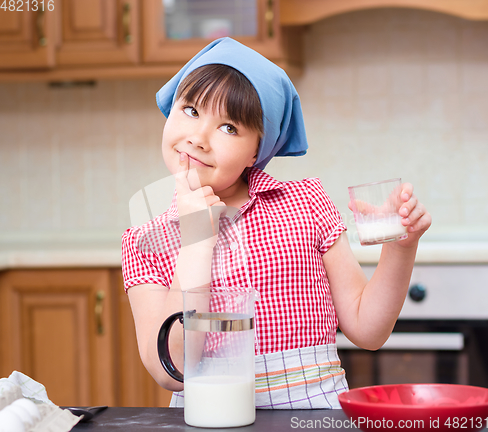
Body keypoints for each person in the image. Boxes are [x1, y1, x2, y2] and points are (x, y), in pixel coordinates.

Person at [121, 37, 432, 409]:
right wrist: (197, 240)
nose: (199, 138)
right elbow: (170, 368)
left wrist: (400, 247)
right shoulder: (144, 240)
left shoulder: (305, 204)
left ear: (258, 149)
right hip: (211, 417)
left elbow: (368, 330)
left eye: (229, 128)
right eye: (190, 110)